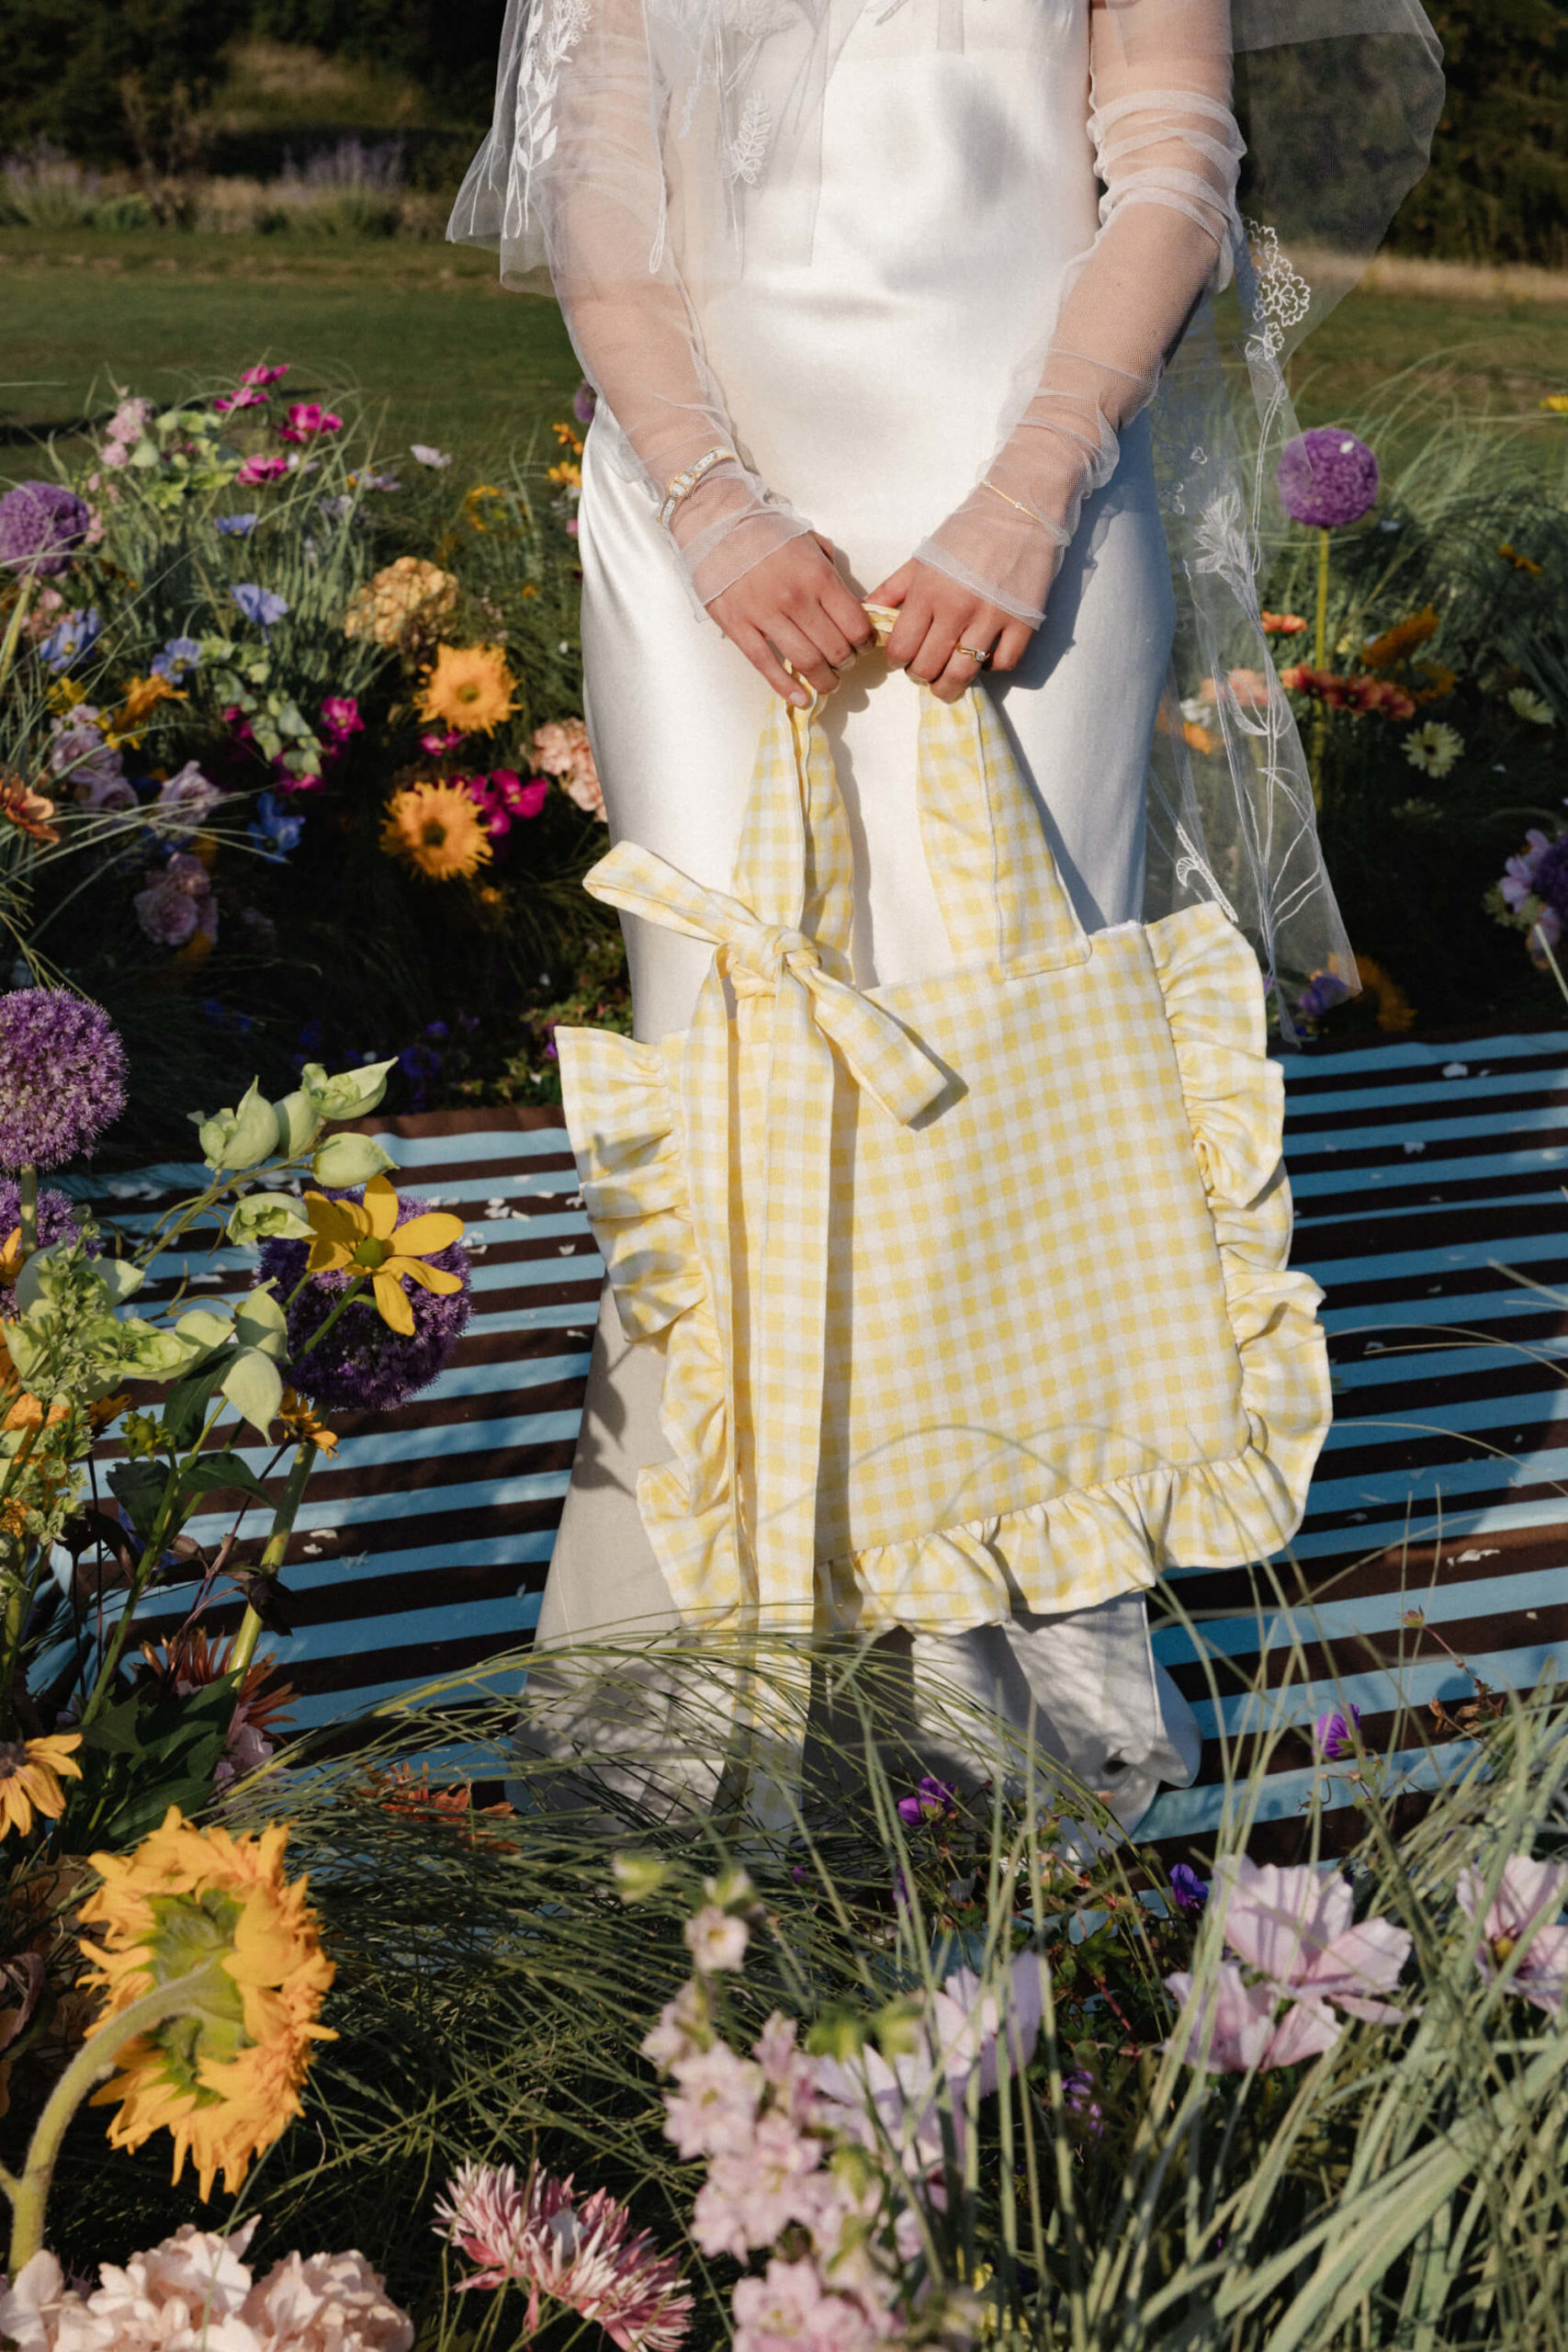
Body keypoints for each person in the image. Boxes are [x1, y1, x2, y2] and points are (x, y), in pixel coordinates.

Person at [451, 0, 1441, 1827]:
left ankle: (1019, 1683)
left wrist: (1032, 484)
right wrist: (713, 503)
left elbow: (1169, 158)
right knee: (726, 1060)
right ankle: (692, 1708)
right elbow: (592, 174)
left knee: (1010, 1066)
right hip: (697, 517)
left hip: (1030, 501)